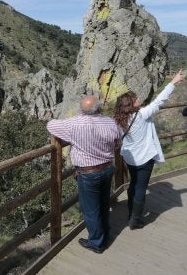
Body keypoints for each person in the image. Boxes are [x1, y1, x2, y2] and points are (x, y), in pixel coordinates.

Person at [46, 95, 122, 254]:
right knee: (103, 203)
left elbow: (51, 125)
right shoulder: (110, 122)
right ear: (99, 108)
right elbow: (118, 141)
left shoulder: (75, 123)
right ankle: (105, 234)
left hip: (88, 174)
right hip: (107, 169)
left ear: (82, 110)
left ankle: (96, 243)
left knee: (91, 209)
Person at [113, 69, 186, 229]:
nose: (140, 99)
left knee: (133, 184)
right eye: (136, 99)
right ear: (131, 104)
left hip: (130, 158)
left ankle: (132, 212)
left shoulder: (119, 120)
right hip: (145, 158)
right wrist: (173, 82)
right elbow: (160, 100)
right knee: (140, 187)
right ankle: (135, 219)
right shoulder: (142, 114)